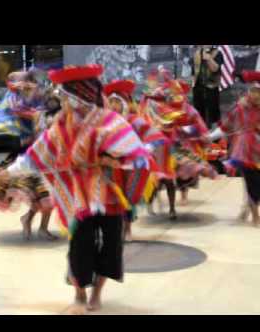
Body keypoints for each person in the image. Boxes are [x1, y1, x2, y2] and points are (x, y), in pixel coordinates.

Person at [0, 65, 152, 314]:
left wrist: (115, 161)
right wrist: (10, 171)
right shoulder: (61, 127)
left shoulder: (111, 122)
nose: (63, 102)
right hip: (79, 197)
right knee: (79, 247)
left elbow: (138, 157)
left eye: (67, 97)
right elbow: (38, 154)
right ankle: (79, 295)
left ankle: (97, 294)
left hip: (110, 194)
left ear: (81, 97)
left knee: (112, 247)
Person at [0, 70, 58, 241]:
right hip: (32, 156)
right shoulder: (23, 106)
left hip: (49, 158)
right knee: (42, 196)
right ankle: (32, 222)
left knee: (46, 197)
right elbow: (31, 128)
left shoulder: (49, 110)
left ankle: (35, 223)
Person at [139, 76, 218, 219]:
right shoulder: (158, 110)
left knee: (180, 172)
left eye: (179, 93)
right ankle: (152, 201)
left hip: (181, 145)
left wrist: (197, 134)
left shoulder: (189, 109)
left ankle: (175, 204)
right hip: (159, 147)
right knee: (155, 177)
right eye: (173, 93)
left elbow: (198, 126)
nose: (176, 96)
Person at [104, 79, 168, 240]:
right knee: (112, 198)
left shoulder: (133, 120)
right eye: (110, 102)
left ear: (124, 104)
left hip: (131, 165)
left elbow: (154, 135)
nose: (113, 106)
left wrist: (146, 149)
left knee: (128, 198)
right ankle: (114, 231)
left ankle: (127, 229)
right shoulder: (104, 122)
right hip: (111, 166)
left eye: (116, 102)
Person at [208, 70, 260, 226]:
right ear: (249, 92)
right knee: (251, 183)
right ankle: (255, 216)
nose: (256, 95)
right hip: (245, 153)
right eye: (254, 91)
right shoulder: (240, 109)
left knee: (255, 184)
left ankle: (247, 207)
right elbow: (225, 127)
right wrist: (208, 138)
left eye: (258, 92)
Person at [192, 45, 224, 129]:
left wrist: (209, 58)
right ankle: (201, 130)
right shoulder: (197, 54)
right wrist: (193, 85)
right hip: (198, 88)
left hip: (212, 88)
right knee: (198, 110)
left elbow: (215, 69)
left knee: (213, 112)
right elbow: (194, 71)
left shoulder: (218, 53)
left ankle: (214, 135)